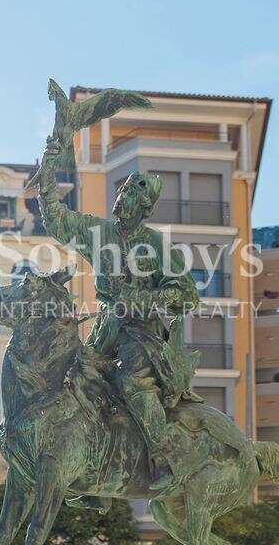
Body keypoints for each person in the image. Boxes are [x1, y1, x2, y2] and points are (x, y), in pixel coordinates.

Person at [35, 138, 202, 493]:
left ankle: (163, 455)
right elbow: (56, 220)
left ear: (145, 208)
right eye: (122, 193)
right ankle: (96, 471)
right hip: (107, 330)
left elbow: (187, 293)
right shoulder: (99, 233)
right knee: (70, 383)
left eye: (131, 199)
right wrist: (48, 171)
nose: (122, 202)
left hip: (143, 335)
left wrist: (145, 297)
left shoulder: (156, 246)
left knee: (130, 383)